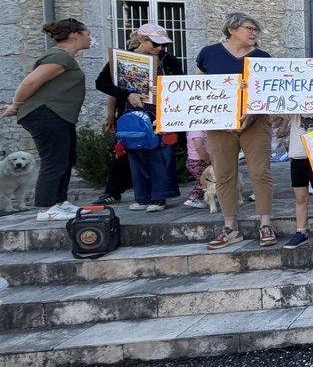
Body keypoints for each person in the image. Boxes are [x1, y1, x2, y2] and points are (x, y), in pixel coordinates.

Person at [198, 12, 276, 249]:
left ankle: (265, 223)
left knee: (260, 173)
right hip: (220, 124)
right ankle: (230, 226)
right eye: (249, 28)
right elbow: (200, 87)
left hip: (255, 122)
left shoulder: (263, 57)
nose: (253, 33)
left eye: (256, 30)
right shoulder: (209, 54)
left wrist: (251, 113)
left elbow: (268, 92)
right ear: (231, 29)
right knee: (224, 175)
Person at [3, 19, 91, 221]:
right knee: (55, 159)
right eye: (87, 33)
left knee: (67, 158)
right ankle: (46, 207)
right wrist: (15, 104)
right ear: (75, 35)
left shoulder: (64, 57)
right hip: (48, 114)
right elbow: (31, 82)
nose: (89, 37)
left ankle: (59, 202)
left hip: (58, 115)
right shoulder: (58, 56)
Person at [96, 24, 182, 211]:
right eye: (155, 44)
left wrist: (164, 90)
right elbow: (102, 83)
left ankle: (159, 197)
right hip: (131, 115)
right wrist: (126, 94)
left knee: (160, 154)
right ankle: (142, 197)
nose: (159, 48)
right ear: (142, 40)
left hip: (160, 115)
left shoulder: (168, 60)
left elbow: (181, 84)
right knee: (135, 153)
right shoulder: (122, 59)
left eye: (163, 45)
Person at [280, 114, 313, 250]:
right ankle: (301, 231)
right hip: (297, 156)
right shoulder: (294, 112)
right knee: (300, 197)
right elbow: (280, 109)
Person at [182, 131, 210, 209]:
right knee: (205, 180)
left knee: (204, 179)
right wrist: (206, 158)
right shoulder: (197, 130)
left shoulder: (197, 130)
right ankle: (194, 198)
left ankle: (204, 197)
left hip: (196, 160)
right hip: (198, 161)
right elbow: (198, 147)